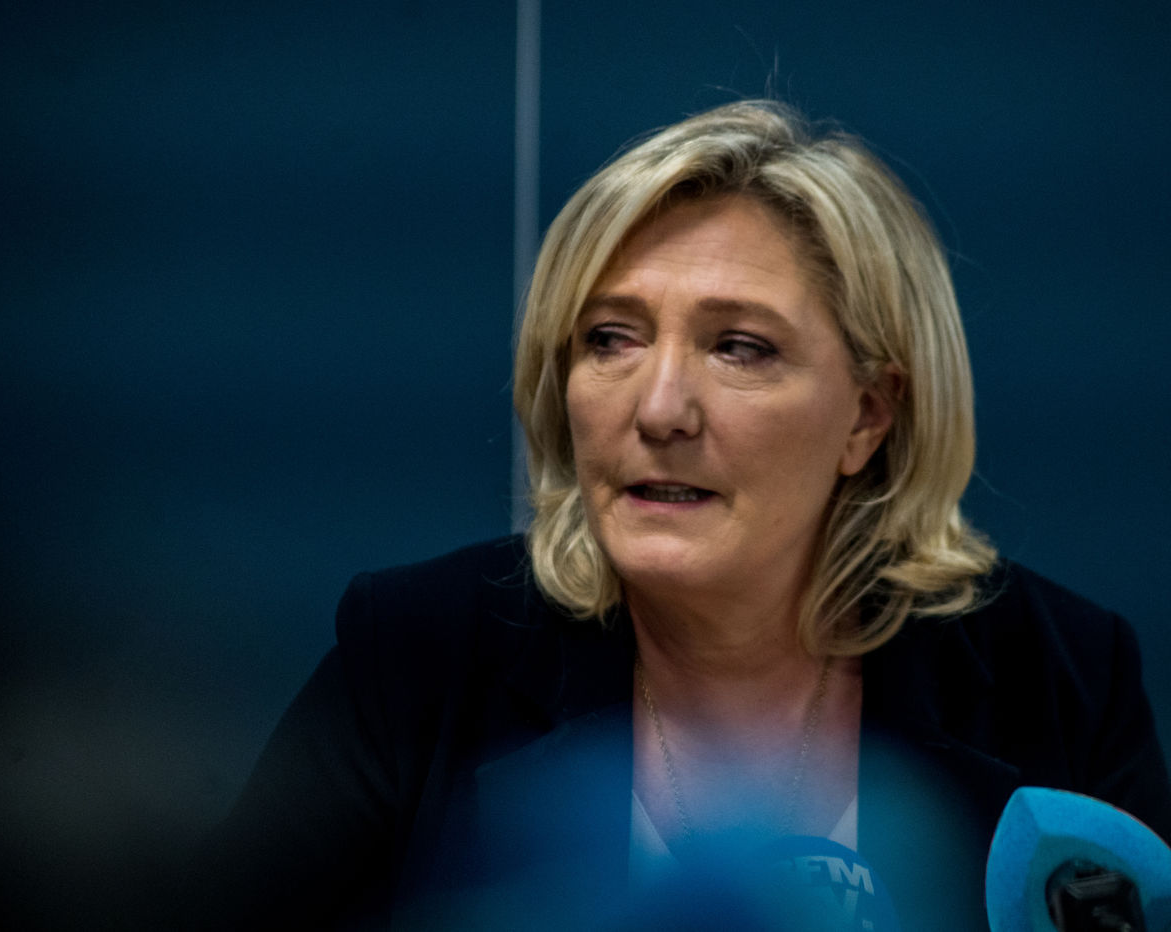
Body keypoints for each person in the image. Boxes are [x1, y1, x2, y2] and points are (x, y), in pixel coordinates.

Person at [185, 100, 1171, 930]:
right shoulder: (421, 658)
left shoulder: (1059, 678)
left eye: (739, 347)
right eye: (611, 338)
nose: (658, 409)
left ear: (867, 416)